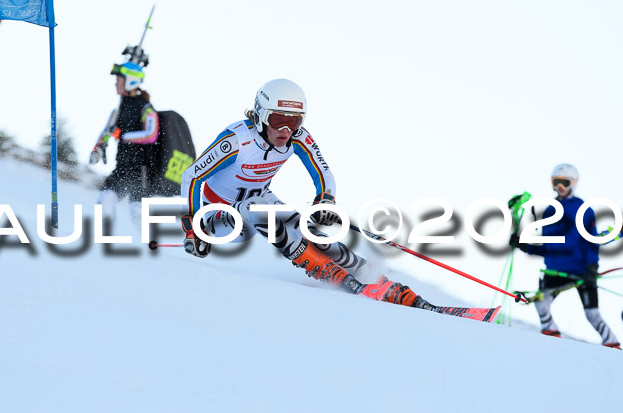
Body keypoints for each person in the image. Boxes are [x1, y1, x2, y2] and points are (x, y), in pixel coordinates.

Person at [179, 78, 435, 309]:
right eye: (279, 120)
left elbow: (323, 172)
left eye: (294, 121)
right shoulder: (236, 141)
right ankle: (324, 271)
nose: (286, 131)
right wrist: (193, 228)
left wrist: (325, 199)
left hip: (260, 204)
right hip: (218, 218)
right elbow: (192, 176)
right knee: (257, 205)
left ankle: (373, 279)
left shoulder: (298, 139)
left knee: (309, 230)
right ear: (260, 115)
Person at [510, 163, 620, 348]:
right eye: (556, 183)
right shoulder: (549, 211)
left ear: (573, 183)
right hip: (554, 270)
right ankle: (551, 337)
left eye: (564, 183)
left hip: (581, 270)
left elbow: (592, 240)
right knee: (541, 303)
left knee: (592, 314)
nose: (560, 188)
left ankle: (613, 345)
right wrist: (525, 246)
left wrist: (591, 267)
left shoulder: (582, 209)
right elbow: (548, 247)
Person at [89, 61, 159, 225]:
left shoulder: (146, 108)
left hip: (142, 168)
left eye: (119, 79)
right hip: (122, 166)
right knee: (105, 199)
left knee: (137, 209)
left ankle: (150, 243)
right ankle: (104, 239)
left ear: (130, 81)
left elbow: (151, 134)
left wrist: (124, 136)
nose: (115, 83)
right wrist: (98, 147)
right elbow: (108, 131)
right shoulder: (119, 109)